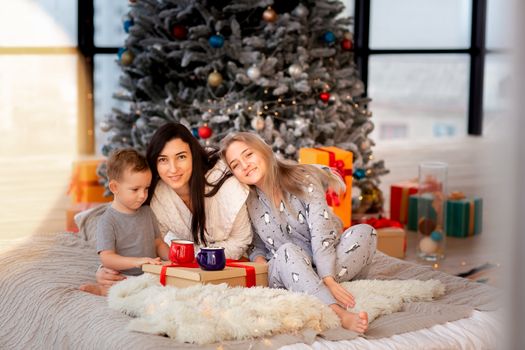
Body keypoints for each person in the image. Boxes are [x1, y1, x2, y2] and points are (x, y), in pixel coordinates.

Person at [221, 132, 377, 334]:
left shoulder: (304, 178)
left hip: (323, 260)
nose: (244, 165)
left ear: (264, 150)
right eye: (235, 164)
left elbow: (322, 233)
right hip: (286, 266)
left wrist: (328, 277)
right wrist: (259, 260)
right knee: (288, 251)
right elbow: (256, 243)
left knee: (366, 232)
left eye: (248, 154)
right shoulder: (247, 200)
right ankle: (338, 313)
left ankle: (315, 285)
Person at [94, 123, 252, 289]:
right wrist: (106, 268)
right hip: (191, 271)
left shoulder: (225, 183)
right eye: (163, 159)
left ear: (193, 155)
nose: (173, 168)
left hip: (236, 265)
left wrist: (199, 259)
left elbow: (241, 240)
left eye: (181, 156)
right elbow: (148, 243)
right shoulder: (154, 194)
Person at [80, 148, 169, 296]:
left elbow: (158, 244)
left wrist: (173, 257)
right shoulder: (107, 220)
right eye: (135, 189)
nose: (142, 195)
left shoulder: (147, 212)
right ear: (115, 187)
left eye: (146, 188)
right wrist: (137, 262)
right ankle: (103, 290)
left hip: (150, 274)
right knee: (128, 290)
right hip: (123, 277)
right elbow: (107, 257)